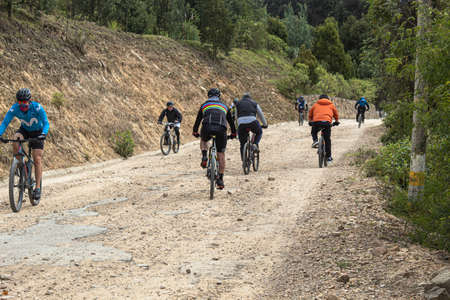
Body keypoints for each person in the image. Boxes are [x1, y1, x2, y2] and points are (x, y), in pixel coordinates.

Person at [0, 88, 49, 200]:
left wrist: (43, 134)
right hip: (25, 130)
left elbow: (46, 123)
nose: (22, 105)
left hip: (38, 132)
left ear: (29, 101)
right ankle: (21, 165)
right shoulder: (15, 108)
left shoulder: (37, 108)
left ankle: (37, 188)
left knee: (37, 158)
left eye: (25, 102)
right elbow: (5, 122)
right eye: (20, 102)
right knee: (15, 139)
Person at [192, 88, 236, 189]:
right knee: (221, 154)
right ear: (219, 96)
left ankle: (204, 156)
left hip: (207, 127)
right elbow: (231, 122)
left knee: (203, 140)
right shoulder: (224, 106)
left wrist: (195, 131)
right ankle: (220, 180)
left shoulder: (204, 105)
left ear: (208, 96)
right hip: (221, 129)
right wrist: (233, 133)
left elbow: (198, 119)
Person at [235, 93, 268, 161]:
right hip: (252, 122)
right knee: (259, 132)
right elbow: (260, 114)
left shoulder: (238, 104)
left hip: (241, 123)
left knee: (242, 143)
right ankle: (255, 144)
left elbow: (236, 116)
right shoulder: (254, 103)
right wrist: (265, 124)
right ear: (250, 98)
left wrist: (238, 126)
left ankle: (244, 160)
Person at [308, 94, 339, 162]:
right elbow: (336, 114)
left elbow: (310, 113)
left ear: (319, 99)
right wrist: (336, 121)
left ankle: (315, 141)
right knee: (327, 140)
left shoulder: (315, 104)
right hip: (327, 123)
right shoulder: (331, 105)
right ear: (328, 99)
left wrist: (310, 121)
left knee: (314, 131)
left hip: (317, 122)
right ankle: (329, 157)